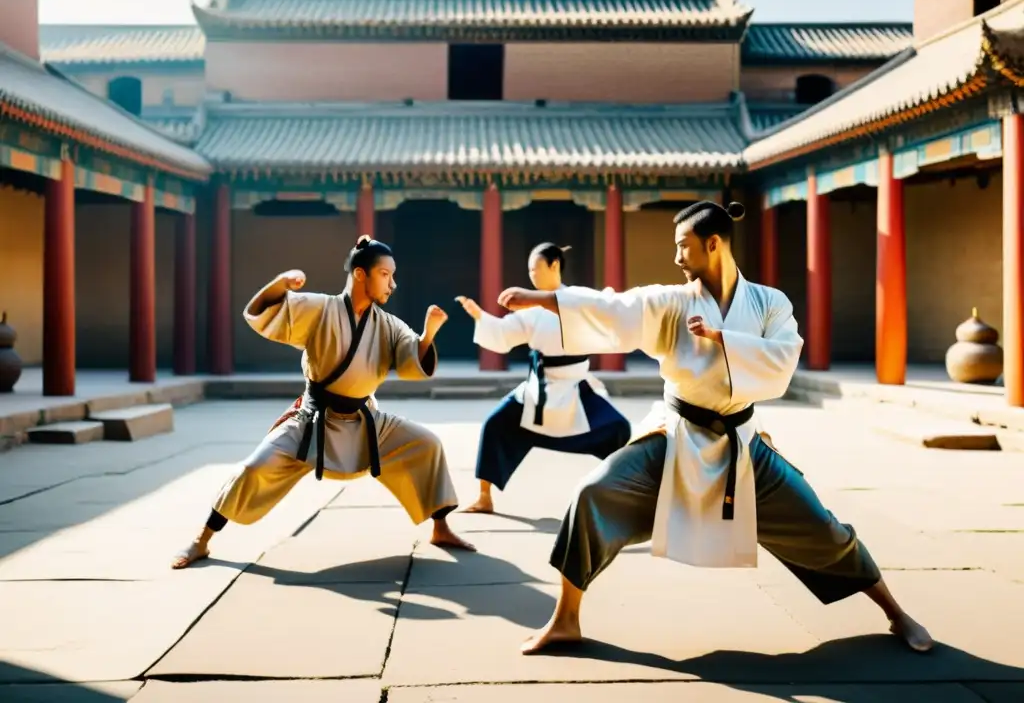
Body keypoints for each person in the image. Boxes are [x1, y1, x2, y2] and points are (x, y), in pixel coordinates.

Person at [496, 201, 933, 655]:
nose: (677, 258)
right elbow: (615, 308)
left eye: (684, 247)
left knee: (821, 527)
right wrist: (545, 300)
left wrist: (724, 339)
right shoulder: (673, 302)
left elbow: (782, 361)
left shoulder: (768, 303)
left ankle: (896, 613)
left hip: (741, 444)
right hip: (674, 434)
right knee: (592, 493)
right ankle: (565, 619)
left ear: (713, 244)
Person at [171, 235, 473, 569]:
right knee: (253, 469)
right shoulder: (320, 309)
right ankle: (202, 540)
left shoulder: (387, 325)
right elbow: (261, 312)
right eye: (386, 274)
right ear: (361, 274)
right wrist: (279, 284)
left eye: (393, 275)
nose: (393, 284)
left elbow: (409, 360)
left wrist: (428, 335)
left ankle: (441, 528)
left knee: (427, 445)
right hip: (312, 422)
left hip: (365, 422)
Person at [454, 243, 632, 514]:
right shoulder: (531, 308)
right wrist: (480, 316)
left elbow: (604, 307)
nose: (532, 275)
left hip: (575, 387)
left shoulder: (577, 299)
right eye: (529, 270)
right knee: (494, 424)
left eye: (536, 269)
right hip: (539, 388)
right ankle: (484, 497)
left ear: (554, 265)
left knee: (619, 429)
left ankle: (623, 494)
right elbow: (503, 334)